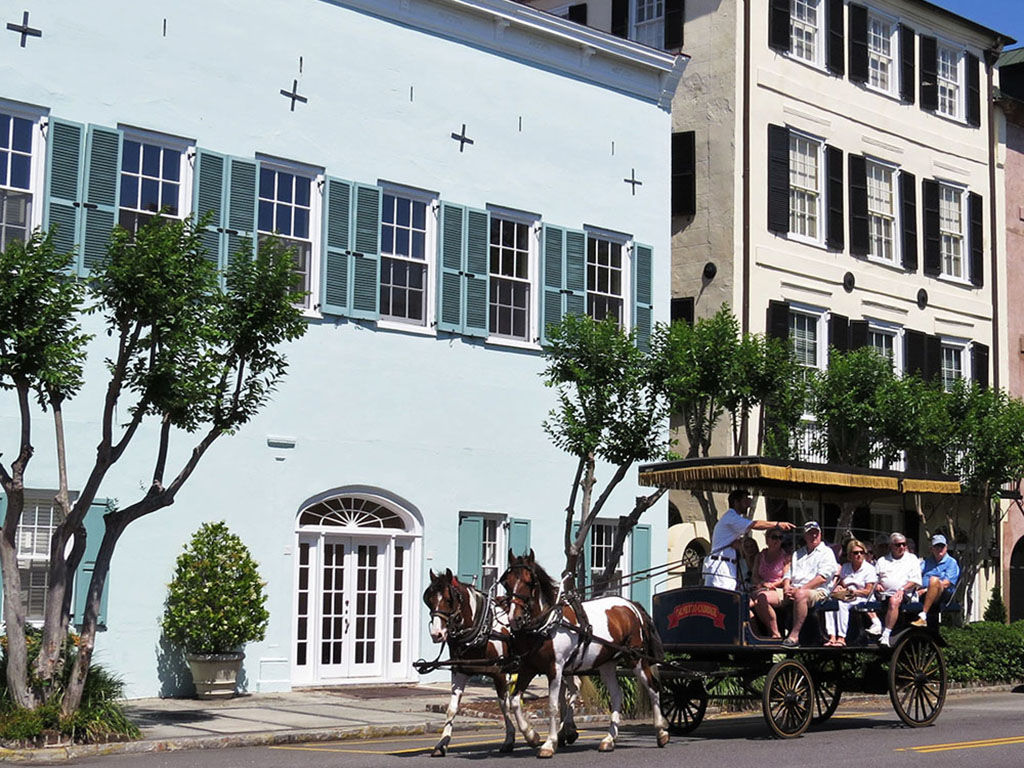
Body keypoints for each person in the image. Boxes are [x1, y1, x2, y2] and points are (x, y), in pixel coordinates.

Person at [702, 489, 795, 590]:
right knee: (723, 596)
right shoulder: (731, 517)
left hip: (727, 564)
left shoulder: (732, 519)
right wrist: (777, 524)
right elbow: (754, 524)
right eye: (745, 500)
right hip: (721, 566)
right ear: (736, 502)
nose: (749, 504)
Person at [781, 521, 839, 647]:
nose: (813, 536)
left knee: (801, 595)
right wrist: (786, 587)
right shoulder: (798, 554)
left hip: (818, 591)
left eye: (816, 533)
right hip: (794, 589)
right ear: (805, 536)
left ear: (820, 534)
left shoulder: (826, 553)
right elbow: (788, 574)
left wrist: (800, 589)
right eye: (810, 534)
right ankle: (773, 635)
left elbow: (822, 578)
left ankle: (794, 635)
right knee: (764, 596)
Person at [824, 539, 877, 646]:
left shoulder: (869, 569)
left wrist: (854, 592)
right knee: (829, 603)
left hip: (862, 597)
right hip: (847, 595)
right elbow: (842, 584)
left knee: (842, 604)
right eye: (856, 553)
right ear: (850, 555)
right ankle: (832, 636)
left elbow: (868, 591)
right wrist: (839, 588)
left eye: (862, 552)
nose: (859, 555)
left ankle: (842, 637)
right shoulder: (846, 567)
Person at [873, 531, 922, 646]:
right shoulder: (882, 561)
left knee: (894, 600)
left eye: (904, 544)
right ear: (891, 546)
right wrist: (877, 585)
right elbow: (874, 578)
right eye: (898, 545)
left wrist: (902, 589)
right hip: (882, 594)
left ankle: (886, 635)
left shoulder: (912, 559)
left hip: (905, 595)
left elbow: (915, 581)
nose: (901, 547)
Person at [911, 534, 960, 627]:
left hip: (942, 594)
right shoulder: (926, 562)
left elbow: (946, 583)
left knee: (933, 580)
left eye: (942, 546)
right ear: (931, 549)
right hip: (922, 594)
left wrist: (926, 590)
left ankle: (923, 616)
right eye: (937, 546)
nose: (939, 549)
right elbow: (916, 574)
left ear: (946, 547)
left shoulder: (951, 562)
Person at [751, 527, 790, 639]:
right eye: (774, 537)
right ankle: (755, 635)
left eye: (780, 537)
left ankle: (775, 633)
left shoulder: (786, 557)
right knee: (743, 604)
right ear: (767, 540)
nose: (777, 540)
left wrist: (772, 585)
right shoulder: (760, 556)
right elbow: (754, 576)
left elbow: (787, 577)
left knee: (761, 598)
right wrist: (762, 584)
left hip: (778, 590)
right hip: (761, 588)